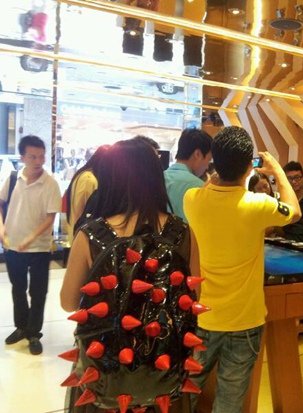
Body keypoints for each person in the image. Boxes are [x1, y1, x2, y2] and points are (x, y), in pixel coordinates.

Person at [60, 138, 200, 413]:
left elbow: (68, 303)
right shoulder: (182, 232)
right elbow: (194, 297)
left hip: (106, 376)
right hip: (163, 375)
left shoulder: (91, 235)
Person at [184, 126, 300, 413]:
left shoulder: (192, 199)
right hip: (245, 321)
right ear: (250, 167)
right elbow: (294, 211)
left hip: (202, 317)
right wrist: (278, 171)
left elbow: (210, 187)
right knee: (230, 401)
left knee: (184, 393)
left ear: (214, 161)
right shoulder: (257, 204)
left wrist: (218, 173)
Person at [0, 135, 62, 355]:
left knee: (38, 292)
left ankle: (34, 333)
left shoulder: (50, 183)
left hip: (39, 248)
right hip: (13, 245)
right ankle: (21, 327)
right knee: (17, 288)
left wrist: (31, 238)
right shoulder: (13, 178)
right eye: (33, 156)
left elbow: (50, 217)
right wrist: (1, 228)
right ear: (22, 157)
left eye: (41, 156)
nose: (38, 161)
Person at [164, 128, 213, 222]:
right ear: (198, 154)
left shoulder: (158, 179)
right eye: (208, 159)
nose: (207, 166)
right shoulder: (199, 188)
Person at [65, 145, 110, 243]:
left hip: (80, 236)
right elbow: (82, 213)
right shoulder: (88, 179)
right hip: (82, 238)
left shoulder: (85, 175)